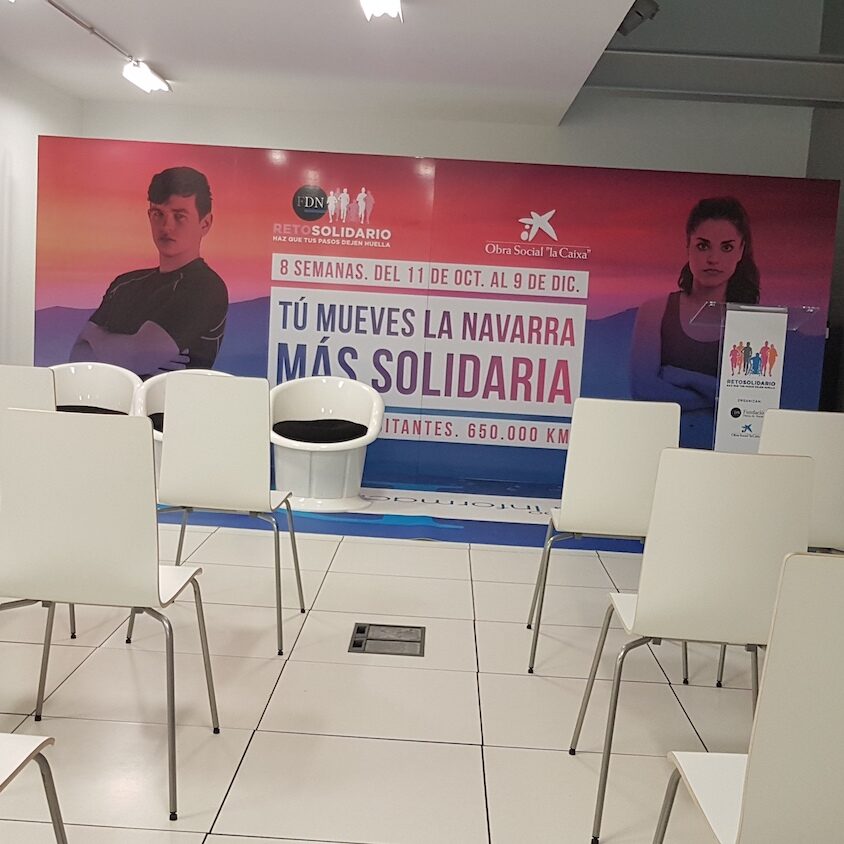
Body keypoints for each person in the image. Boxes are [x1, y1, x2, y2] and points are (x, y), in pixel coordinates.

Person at [70, 166, 228, 378]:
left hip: (173, 399)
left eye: (179, 216)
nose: (166, 226)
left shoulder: (206, 287)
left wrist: (96, 337)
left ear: (205, 223)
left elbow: (137, 358)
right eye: (158, 214)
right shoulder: (125, 284)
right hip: (113, 398)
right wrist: (132, 352)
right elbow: (78, 358)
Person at [629, 197, 760, 447]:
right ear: (688, 245)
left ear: (741, 250)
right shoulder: (655, 310)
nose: (713, 258)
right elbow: (644, 390)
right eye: (703, 246)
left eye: (726, 247)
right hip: (659, 447)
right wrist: (720, 394)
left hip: (729, 451)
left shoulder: (752, 322)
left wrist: (685, 377)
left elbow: (751, 401)